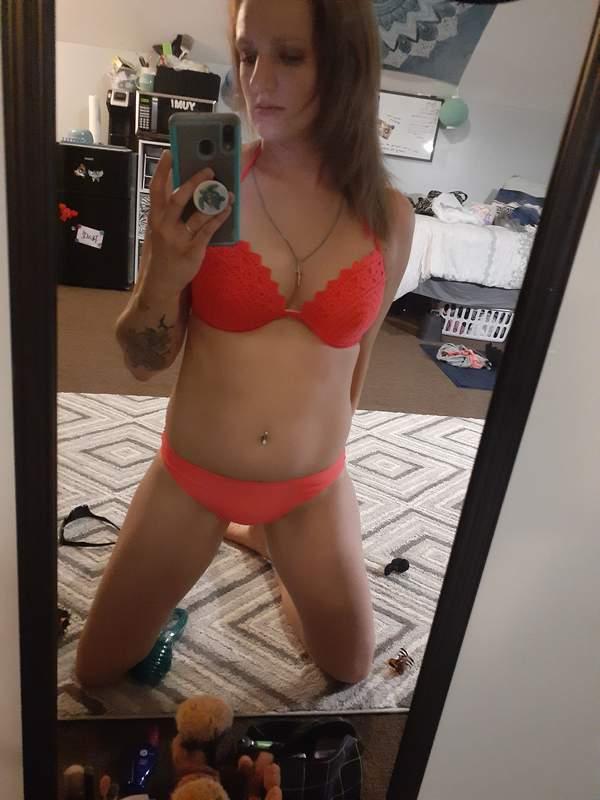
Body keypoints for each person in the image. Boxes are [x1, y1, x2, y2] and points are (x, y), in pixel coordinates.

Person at [76, 0, 414, 689]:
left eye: (289, 56)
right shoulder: (211, 196)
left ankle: (272, 546)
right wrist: (165, 270)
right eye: (248, 53)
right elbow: (141, 363)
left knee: (349, 668)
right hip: (193, 478)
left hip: (311, 489)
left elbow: (361, 357)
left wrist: (322, 456)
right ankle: (246, 542)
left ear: (346, 65)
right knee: (97, 668)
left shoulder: (390, 218)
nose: (257, 80)